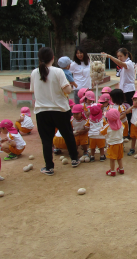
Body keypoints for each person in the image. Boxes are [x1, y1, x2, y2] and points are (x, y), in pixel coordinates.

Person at [31, 47, 81, 176]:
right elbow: (68, 90)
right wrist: (69, 85)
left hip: (42, 111)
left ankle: (49, 167)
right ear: (53, 58)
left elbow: (33, 90)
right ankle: (74, 159)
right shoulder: (58, 72)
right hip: (60, 110)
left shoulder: (34, 72)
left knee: (46, 140)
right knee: (68, 134)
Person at [101, 48, 135, 132]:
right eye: (118, 56)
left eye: (121, 56)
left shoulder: (129, 63)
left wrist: (109, 56)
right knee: (122, 110)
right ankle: (122, 129)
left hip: (129, 91)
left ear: (126, 55)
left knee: (128, 112)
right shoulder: (124, 65)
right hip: (123, 90)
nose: (119, 58)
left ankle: (129, 131)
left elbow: (120, 63)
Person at [101, 109, 124, 176]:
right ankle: (121, 169)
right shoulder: (121, 124)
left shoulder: (108, 126)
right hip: (120, 143)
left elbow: (102, 132)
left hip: (112, 145)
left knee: (112, 159)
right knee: (119, 157)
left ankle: (112, 171)